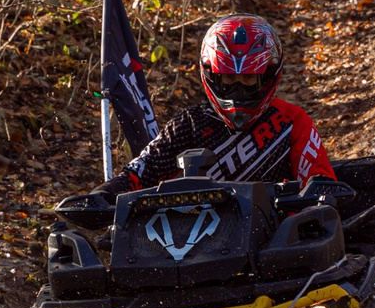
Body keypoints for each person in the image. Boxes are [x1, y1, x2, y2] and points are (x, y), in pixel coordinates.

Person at [112, 14, 337, 190]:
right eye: (229, 78)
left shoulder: (292, 121)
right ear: (211, 76)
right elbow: (142, 169)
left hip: (277, 239)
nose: (238, 89)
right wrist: (108, 191)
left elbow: (322, 182)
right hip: (194, 238)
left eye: (248, 78)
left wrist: (317, 193)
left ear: (268, 76)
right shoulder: (190, 123)